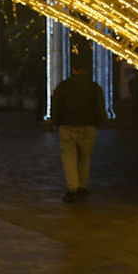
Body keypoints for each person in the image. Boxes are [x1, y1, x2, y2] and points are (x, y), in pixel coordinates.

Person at [50, 57, 107, 203]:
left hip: (67, 126)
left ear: (73, 69)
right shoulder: (94, 87)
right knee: (85, 158)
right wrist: (97, 123)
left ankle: (72, 188)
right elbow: (100, 109)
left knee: (69, 157)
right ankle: (82, 186)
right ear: (86, 70)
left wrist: (56, 122)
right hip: (88, 126)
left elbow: (55, 106)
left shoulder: (63, 86)